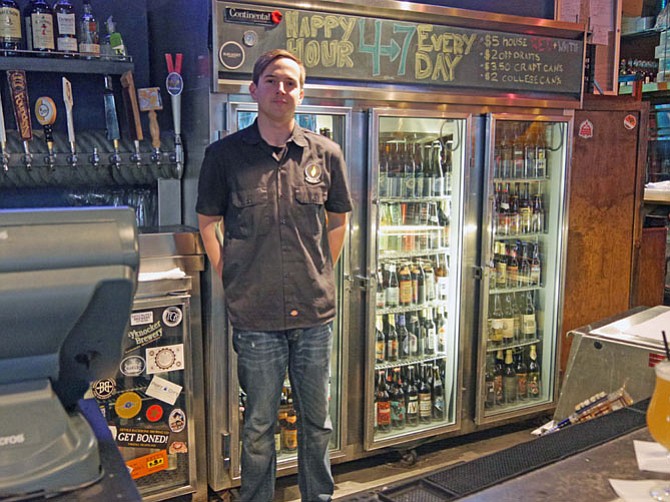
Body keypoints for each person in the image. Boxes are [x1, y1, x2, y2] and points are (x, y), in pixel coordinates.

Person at [196, 49, 353, 502]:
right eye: (271, 81)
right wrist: (230, 275)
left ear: (301, 93)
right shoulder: (224, 157)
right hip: (255, 316)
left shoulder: (326, 154)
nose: (280, 90)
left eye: (290, 83)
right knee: (259, 427)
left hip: (314, 313)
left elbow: (340, 219)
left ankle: (317, 497)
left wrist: (321, 268)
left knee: (316, 422)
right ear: (254, 89)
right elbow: (208, 222)